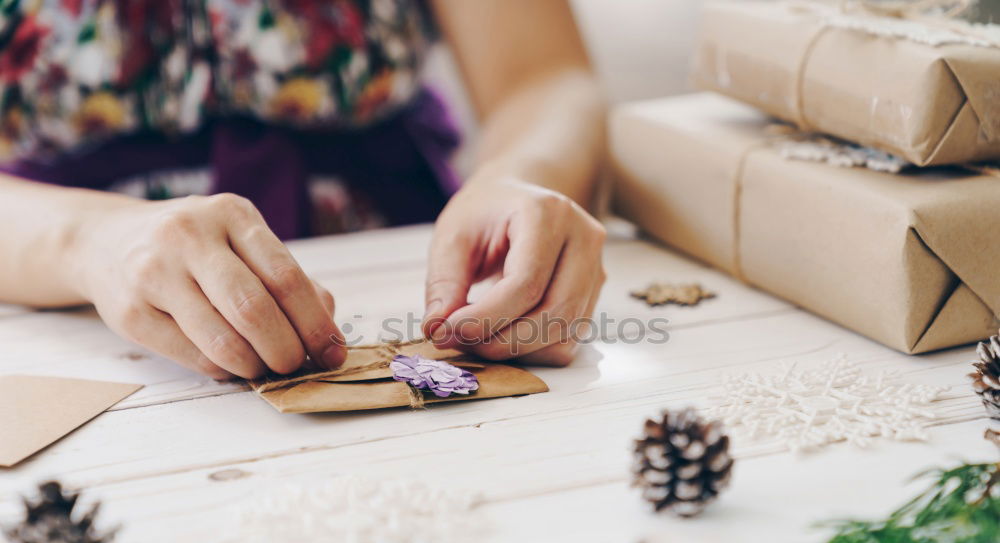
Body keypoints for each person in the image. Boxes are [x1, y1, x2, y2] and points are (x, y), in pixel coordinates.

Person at [0, 0, 607, 380]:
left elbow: (545, 76)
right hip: (60, 302)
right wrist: (87, 240)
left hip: (409, 261)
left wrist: (521, 173)